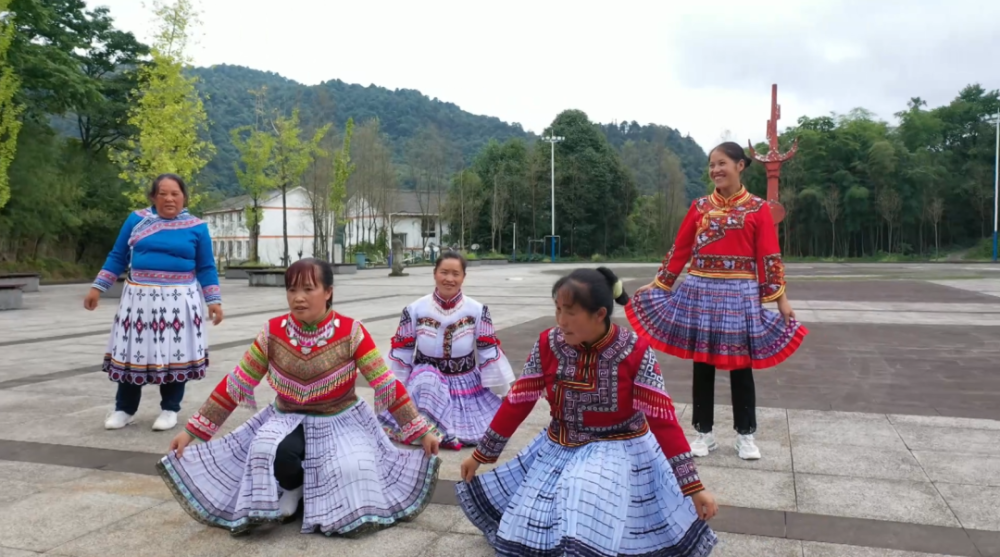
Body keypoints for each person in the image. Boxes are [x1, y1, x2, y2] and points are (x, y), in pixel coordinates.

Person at [158, 258, 441, 538]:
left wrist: (420, 430)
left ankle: (314, 486)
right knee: (265, 451)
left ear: (328, 292)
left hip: (341, 418)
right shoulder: (272, 332)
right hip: (287, 417)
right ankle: (293, 486)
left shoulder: (352, 332)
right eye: (292, 290)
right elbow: (237, 383)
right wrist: (191, 432)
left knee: (351, 468)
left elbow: (385, 384)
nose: (298, 298)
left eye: (308, 289)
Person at [458, 267, 719, 557]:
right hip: (559, 444)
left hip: (617, 447)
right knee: (534, 522)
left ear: (600, 314)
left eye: (570, 312)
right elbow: (518, 401)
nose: (561, 321)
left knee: (582, 490)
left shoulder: (635, 351)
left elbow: (664, 421)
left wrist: (693, 486)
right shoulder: (548, 343)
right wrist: (481, 453)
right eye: (557, 310)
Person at [627, 142, 809, 461]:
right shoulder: (699, 207)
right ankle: (703, 432)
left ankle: (746, 435)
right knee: (703, 364)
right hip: (700, 291)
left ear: (740, 166)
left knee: (741, 366)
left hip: (740, 295)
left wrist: (780, 299)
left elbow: (768, 254)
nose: (715, 170)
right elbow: (681, 249)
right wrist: (659, 283)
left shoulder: (757, 209)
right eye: (711, 165)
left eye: (722, 163)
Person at [83, 173, 224, 432]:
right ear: (153, 197)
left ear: (184, 198)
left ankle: (170, 409)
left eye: (175, 194)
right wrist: (98, 287)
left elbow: (205, 266)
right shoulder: (137, 220)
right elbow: (118, 256)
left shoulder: (197, 227)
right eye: (163, 193)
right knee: (132, 354)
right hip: (139, 301)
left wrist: (213, 300)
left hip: (180, 302)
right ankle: (124, 409)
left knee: (173, 355)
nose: (169, 199)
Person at [380, 251, 515, 450]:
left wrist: (502, 388)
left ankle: (440, 431)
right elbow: (403, 352)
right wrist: (396, 389)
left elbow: (487, 351)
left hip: (464, 380)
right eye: (444, 272)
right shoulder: (415, 309)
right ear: (434, 274)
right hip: (424, 382)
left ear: (463, 277)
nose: (449, 279)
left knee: (485, 430)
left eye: (455, 274)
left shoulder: (477, 310)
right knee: (428, 378)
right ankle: (426, 430)